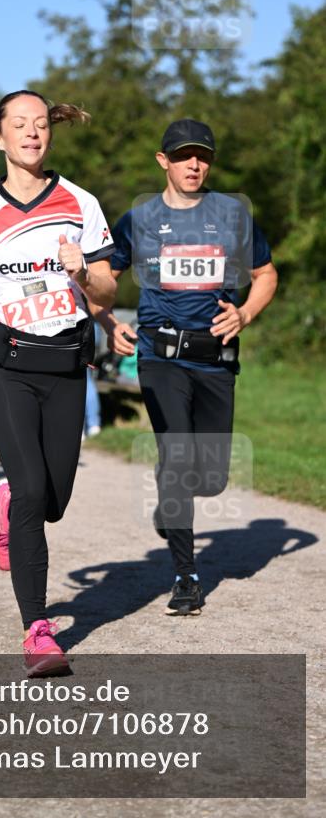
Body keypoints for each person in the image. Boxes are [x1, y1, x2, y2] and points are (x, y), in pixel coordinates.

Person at [0, 91, 117, 676]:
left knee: (53, 500)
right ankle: (38, 630)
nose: (32, 133)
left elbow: (109, 291)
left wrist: (82, 270)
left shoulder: (80, 203)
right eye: (20, 125)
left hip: (65, 362)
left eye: (40, 125)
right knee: (35, 488)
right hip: (2, 362)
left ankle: (10, 502)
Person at [102, 118, 278, 616]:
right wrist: (104, 321)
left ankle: (169, 490)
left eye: (201, 156)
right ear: (164, 161)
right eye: (182, 156)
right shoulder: (138, 218)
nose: (193, 164)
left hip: (216, 357)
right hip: (160, 355)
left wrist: (244, 312)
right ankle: (186, 576)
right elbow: (102, 278)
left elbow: (266, 274)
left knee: (213, 479)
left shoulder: (232, 215)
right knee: (178, 458)